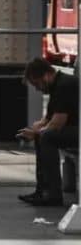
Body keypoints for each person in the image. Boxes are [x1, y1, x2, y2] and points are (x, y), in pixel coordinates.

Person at [17, 57, 79, 207]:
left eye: (36, 83)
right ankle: (43, 190)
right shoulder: (58, 84)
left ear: (45, 75)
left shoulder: (64, 85)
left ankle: (52, 194)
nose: (37, 89)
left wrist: (37, 133)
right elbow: (48, 119)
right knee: (43, 135)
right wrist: (35, 129)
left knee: (47, 137)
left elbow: (57, 123)